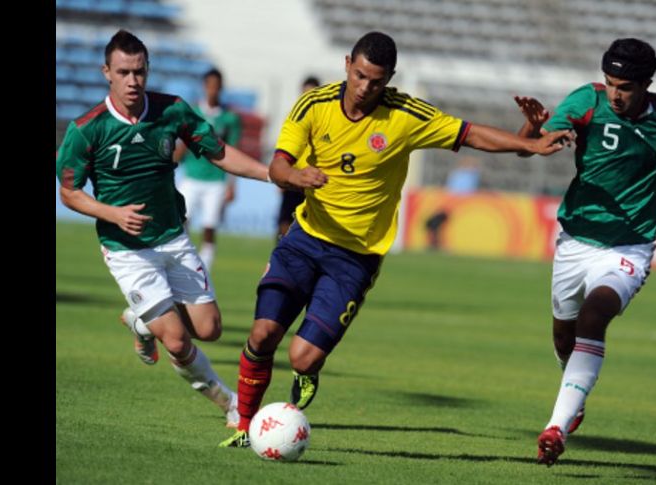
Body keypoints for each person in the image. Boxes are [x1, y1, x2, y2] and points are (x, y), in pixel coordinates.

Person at [219, 31, 571, 448]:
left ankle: (307, 373)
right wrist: (297, 176)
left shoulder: (404, 113)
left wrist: (526, 140)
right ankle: (243, 425)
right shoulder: (314, 104)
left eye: (377, 81)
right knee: (262, 335)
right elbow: (278, 166)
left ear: (390, 79)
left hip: (356, 257)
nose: (366, 88)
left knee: (302, 356)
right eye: (361, 75)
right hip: (305, 238)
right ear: (347, 64)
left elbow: (469, 134)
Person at [55, 30, 270, 429]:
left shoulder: (172, 110)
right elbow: (69, 192)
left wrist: (273, 174)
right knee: (176, 339)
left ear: (148, 70)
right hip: (126, 250)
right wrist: (111, 214)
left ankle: (141, 321)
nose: (133, 80)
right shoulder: (87, 129)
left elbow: (219, 153)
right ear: (107, 72)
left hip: (173, 237)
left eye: (139, 71)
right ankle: (231, 405)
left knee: (210, 329)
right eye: (123, 72)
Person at [513, 38, 656, 466]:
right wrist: (534, 130)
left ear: (646, 84)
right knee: (564, 336)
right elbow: (534, 146)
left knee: (594, 316)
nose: (616, 94)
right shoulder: (588, 100)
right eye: (611, 83)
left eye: (626, 87)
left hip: (629, 247)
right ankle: (573, 398)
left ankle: (555, 428)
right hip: (575, 242)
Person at [173, 68, 242, 271]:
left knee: (209, 227)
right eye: (209, 85)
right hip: (192, 177)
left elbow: (233, 152)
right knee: (181, 222)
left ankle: (205, 271)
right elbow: (182, 145)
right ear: (204, 87)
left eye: (216, 86)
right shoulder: (193, 112)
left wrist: (232, 185)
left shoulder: (230, 118)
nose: (213, 90)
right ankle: (182, 264)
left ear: (221, 88)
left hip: (215, 180)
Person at [275, 76, 320, 240]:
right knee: (284, 225)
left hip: (311, 183)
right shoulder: (294, 118)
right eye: (304, 94)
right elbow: (281, 147)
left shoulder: (324, 121)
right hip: (292, 179)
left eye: (311, 94)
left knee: (308, 231)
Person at [424, 155, 481, 250]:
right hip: (451, 202)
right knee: (434, 224)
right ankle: (435, 243)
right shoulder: (456, 174)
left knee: (437, 223)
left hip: (458, 202)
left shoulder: (472, 175)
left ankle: (438, 243)